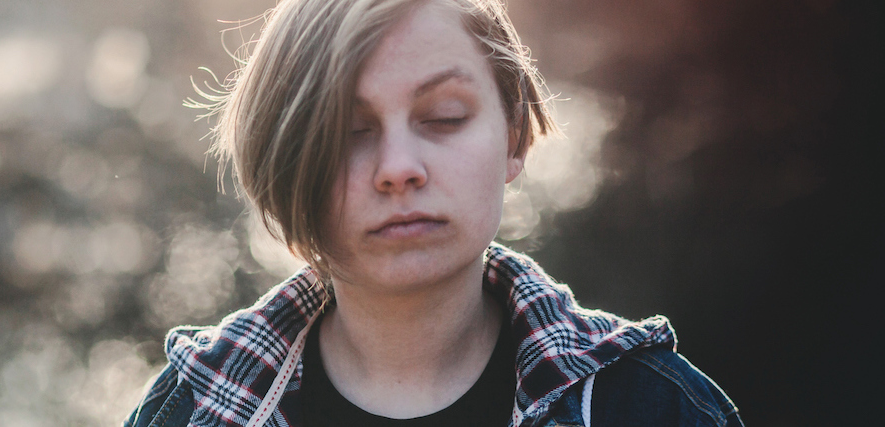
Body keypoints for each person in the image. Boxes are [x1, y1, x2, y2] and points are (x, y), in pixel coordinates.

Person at [125, 0, 742, 425]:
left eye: (444, 117)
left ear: (515, 136)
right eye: (348, 130)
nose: (398, 167)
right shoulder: (186, 414)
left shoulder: (651, 410)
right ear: (283, 163)